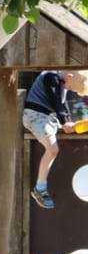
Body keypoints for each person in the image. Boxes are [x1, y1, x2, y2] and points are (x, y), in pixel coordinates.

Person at [22, 69, 88, 210]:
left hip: (49, 117)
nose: (69, 90)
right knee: (52, 149)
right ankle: (40, 188)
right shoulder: (51, 77)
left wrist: (69, 122)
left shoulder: (63, 83)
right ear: (69, 77)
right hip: (37, 115)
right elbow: (56, 102)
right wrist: (64, 121)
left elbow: (61, 106)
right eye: (71, 87)